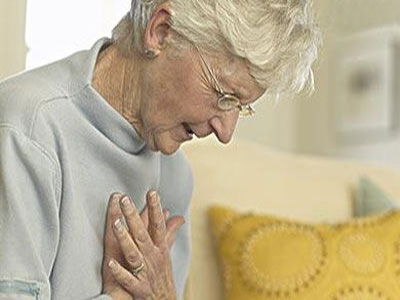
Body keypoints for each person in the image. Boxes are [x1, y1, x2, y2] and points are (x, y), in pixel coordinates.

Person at [0, 0, 321, 299]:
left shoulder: (175, 175)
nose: (226, 132)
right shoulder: (27, 128)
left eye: (242, 107)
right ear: (161, 32)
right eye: (225, 96)